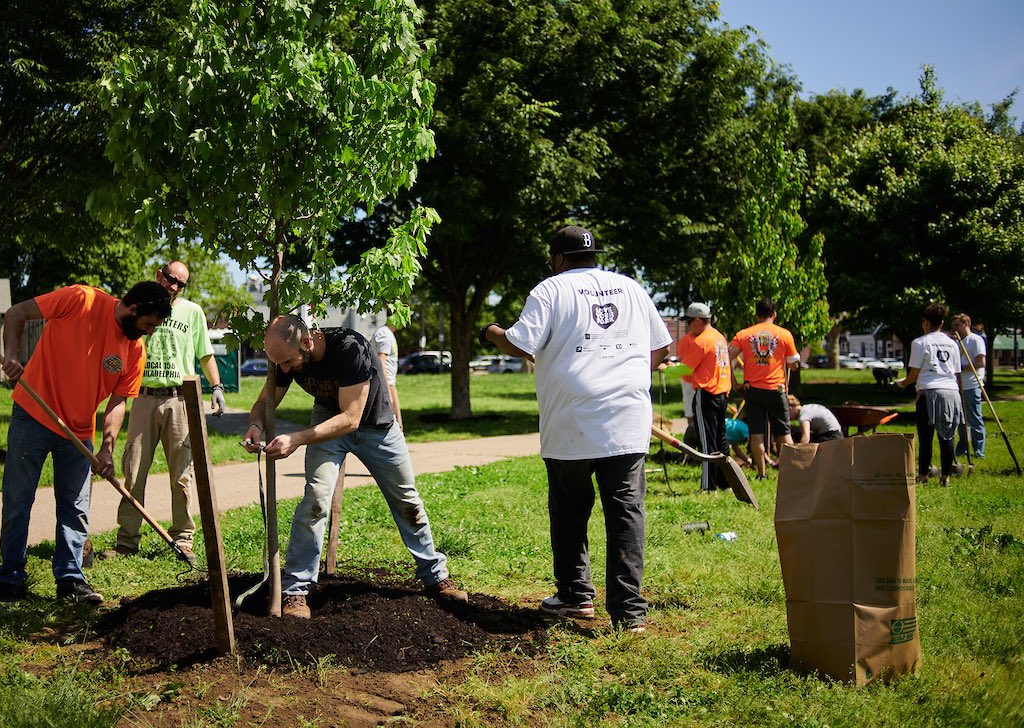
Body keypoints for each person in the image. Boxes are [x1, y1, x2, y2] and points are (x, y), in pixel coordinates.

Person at [482, 225, 671, 632]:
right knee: (626, 513)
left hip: (571, 420)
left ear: (559, 259)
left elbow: (522, 343)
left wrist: (492, 333)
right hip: (626, 417)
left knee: (569, 510)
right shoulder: (632, 289)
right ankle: (630, 616)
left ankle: (575, 596)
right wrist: (627, 377)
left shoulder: (549, 290)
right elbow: (660, 348)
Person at [242, 314, 466, 619]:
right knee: (316, 500)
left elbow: (351, 418)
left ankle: (435, 576)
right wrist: (255, 424)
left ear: (308, 341)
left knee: (407, 501)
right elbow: (266, 400)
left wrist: (297, 438)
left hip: (376, 426)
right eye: (278, 364)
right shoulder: (286, 356)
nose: (284, 370)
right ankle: (296, 591)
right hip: (327, 422)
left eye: (288, 362)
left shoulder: (351, 348)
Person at [0, 280, 172, 604]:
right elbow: (16, 313)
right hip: (33, 414)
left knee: (75, 509)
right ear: (133, 309)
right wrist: (12, 356)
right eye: (147, 325)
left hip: (78, 432)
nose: (147, 332)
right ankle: (10, 578)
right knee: (18, 501)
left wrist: (107, 446)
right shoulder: (80, 299)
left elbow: (118, 402)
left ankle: (70, 580)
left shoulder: (134, 350)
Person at [109, 261, 227, 565]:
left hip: (180, 399)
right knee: (133, 469)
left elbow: (205, 354)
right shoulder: (138, 307)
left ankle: (183, 539)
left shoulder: (192, 312)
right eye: (170, 279)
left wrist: (217, 387)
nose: (173, 286)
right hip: (143, 396)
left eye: (180, 283)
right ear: (159, 275)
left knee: (182, 475)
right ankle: (127, 541)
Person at [729, 298, 801, 479]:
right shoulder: (784, 334)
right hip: (776, 390)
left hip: (753, 390)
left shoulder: (744, 335)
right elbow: (793, 365)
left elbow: (727, 357)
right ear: (774, 315)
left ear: (756, 315)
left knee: (757, 434)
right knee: (784, 434)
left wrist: (734, 382)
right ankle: (791, 473)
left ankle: (761, 473)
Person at [897, 303, 962, 486]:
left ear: (924, 322)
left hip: (928, 391)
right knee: (947, 436)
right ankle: (945, 478)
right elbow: (956, 373)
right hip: (951, 391)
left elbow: (914, 374)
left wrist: (901, 384)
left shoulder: (920, 342)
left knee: (926, 436)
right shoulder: (953, 343)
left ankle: (923, 476)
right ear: (942, 322)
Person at [677, 302, 731, 491]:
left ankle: (709, 486)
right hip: (722, 393)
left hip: (706, 394)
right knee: (721, 441)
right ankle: (727, 483)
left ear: (698, 320)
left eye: (690, 322)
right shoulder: (719, 338)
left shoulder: (702, 341)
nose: (689, 326)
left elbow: (685, 370)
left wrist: (665, 369)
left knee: (707, 442)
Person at [950, 313, 986, 460]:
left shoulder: (975, 340)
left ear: (966, 324)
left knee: (974, 419)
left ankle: (979, 450)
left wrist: (961, 367)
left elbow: (980, 363)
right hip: (958, 386)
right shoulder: (957, 342)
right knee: (961, 421)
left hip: (972, 385)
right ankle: (963, 447)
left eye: (957, 325)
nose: (955, 329)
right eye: (953, 327)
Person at [371, 318, 403, 426]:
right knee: (392, 423)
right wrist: (387, 391)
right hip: (386, 383)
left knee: (397, 424)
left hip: (390, 382)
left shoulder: (387, 333)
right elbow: (381, 363)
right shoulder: (384, 334)